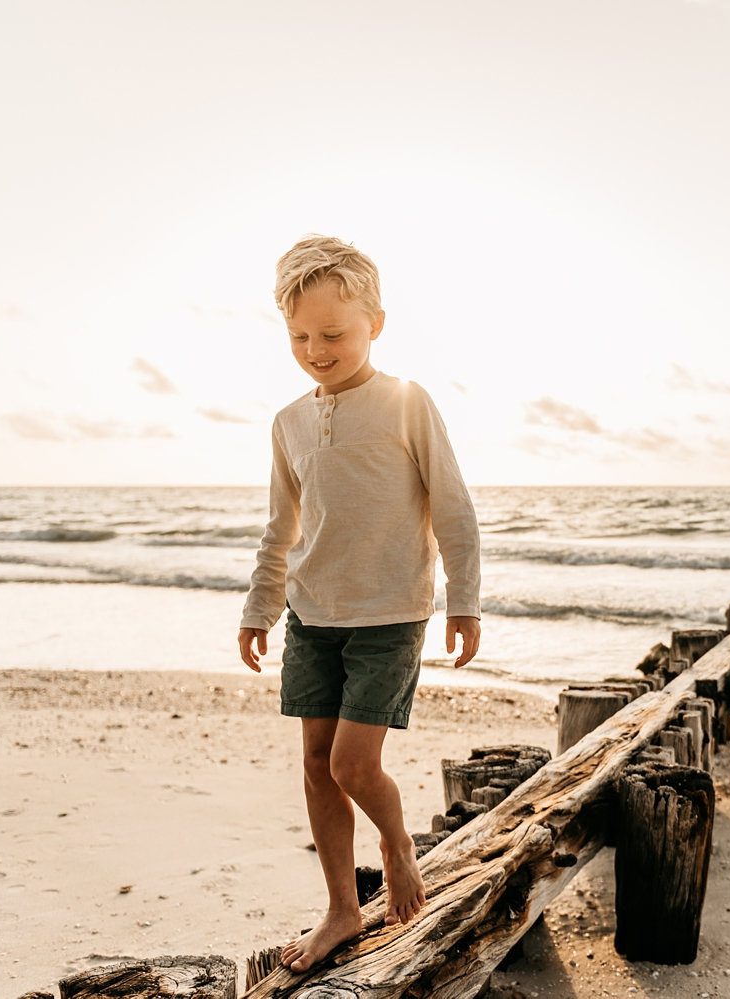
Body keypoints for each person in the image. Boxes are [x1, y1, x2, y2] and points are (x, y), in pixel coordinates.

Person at [237, 235, 482, 972]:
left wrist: (463, 600)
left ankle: (398, 841)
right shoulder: (288, 422)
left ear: (376, 321)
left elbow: (454, 504)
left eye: (333, 334)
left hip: (389, 616)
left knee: (352, 762)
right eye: (300, 336)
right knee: (316, 762)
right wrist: (260, 607)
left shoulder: (406, 403)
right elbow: (282, 526)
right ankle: (343, 908)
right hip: (314, 617)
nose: (316, 349)